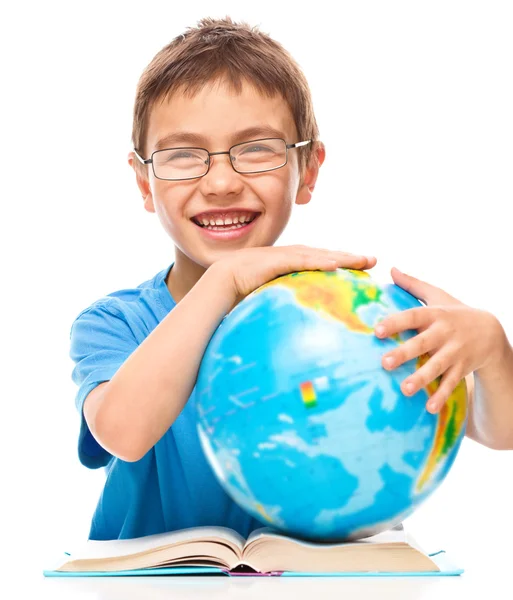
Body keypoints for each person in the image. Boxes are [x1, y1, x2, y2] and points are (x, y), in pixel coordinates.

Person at [70, 17, 513, 542]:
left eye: (256, 149)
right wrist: (225, 281)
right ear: (144, 182)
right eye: (183, 155)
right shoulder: (115, 322)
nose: (220, 182)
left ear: (308, 170)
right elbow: (123, 432)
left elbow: (496, 429)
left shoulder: (360, 315)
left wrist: (490, 348)